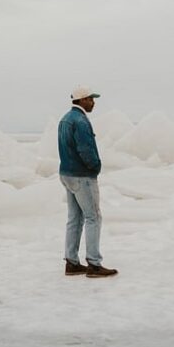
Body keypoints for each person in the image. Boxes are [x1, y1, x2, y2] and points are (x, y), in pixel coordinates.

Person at [59, 86, 118, 278]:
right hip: (82, 176)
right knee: (93, 217)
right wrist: (95, 166)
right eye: (91, 99)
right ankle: (94, 263)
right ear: (82, 100)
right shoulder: (81, 121)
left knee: (74, 218)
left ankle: (71, 262)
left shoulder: (65, 119)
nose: (93, 102)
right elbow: (86, 149)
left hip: (67, 173)